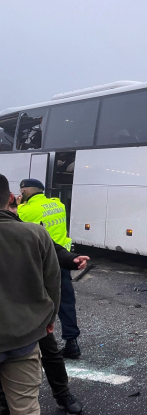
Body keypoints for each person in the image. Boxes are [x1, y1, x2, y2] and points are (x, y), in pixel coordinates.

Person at [0, 174, 60, 415]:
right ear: (12, 198)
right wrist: (49, 320)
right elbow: (53, 284)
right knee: (25, 408)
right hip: (23, 339)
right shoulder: (36, 234)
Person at [17, 179, 81, 359]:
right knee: (65, 302)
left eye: (22, 190)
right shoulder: (57, 204)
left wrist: (20, 203)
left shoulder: (26, 210)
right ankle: (72, 343)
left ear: (25, 192)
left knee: (35, 302)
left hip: (40, 262)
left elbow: (12, 220)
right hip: (62, 259)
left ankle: (33, 344)